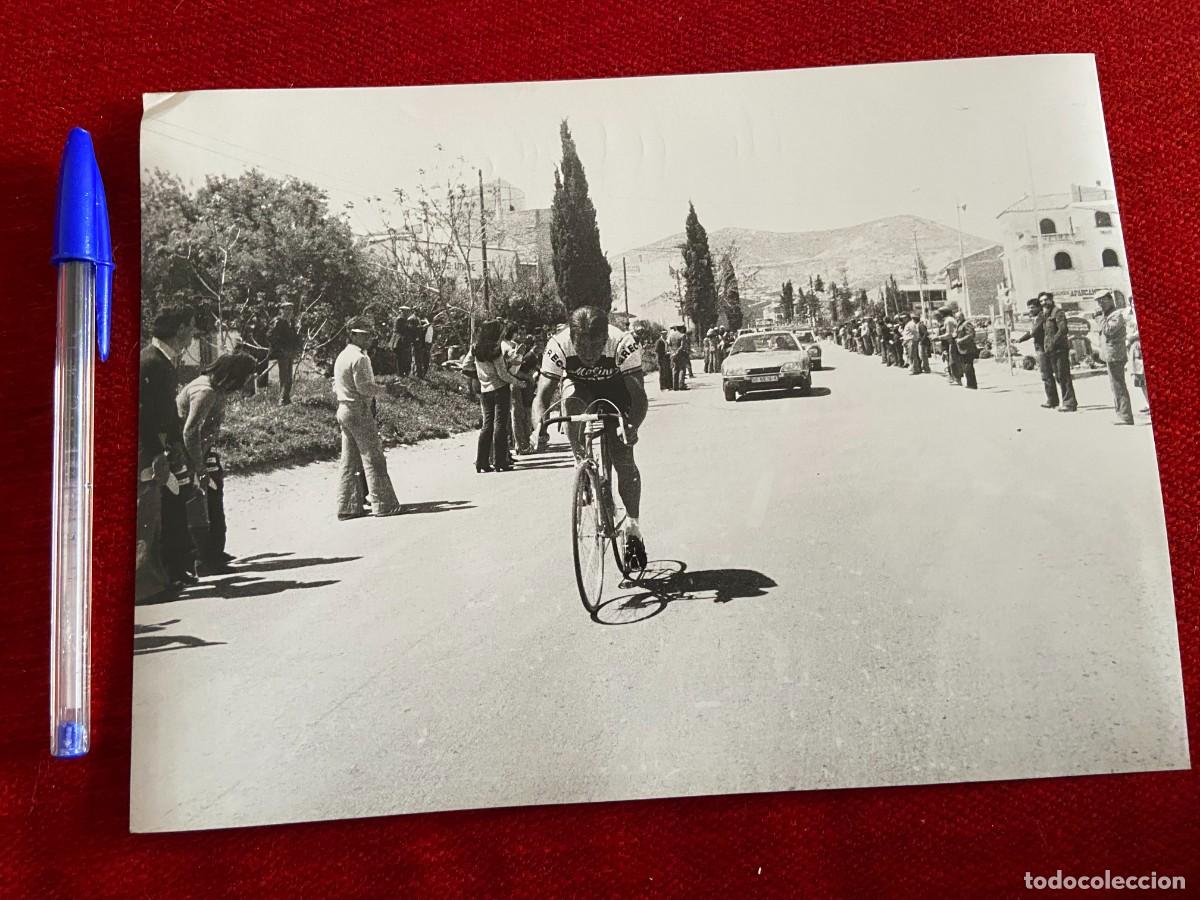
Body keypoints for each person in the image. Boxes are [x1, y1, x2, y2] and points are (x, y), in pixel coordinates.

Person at [531, 306, 650, 567]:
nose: (589, 355)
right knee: (571, 400)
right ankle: (581, 461)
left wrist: (632, 427)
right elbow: (542, 396)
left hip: (617, 391)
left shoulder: (622, 343)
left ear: (605, 338)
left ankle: (632, 529)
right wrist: (538, 426)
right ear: (571, 339)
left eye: (596, 347)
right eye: (581, 348)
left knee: (624, 460)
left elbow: (639, 397)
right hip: (581, 388)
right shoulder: (557, 345)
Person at [176, 353, 258, 574]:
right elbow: (190, 432)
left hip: (202, 452)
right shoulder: (205, 391)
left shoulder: (214, 389)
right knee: (198, 506)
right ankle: (203, 561)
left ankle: (213, 553)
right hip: (188, 456)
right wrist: (199, 467)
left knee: (213, 499)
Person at [137, 305, 198, 598]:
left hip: (164, 448)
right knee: (149, 515)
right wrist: (156, 451)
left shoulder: (164, 361)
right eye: (190, 327)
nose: (194, 333)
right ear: (179, 330)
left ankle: (171, 573)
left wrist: (178, 449)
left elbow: (168, 414)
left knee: (169, 509)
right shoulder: (150, 363)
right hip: (150, 450)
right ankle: (147, 586)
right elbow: (142, 414)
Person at [333, 318, 401, 519]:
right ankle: (383, 503)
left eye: (369, 334)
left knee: (350, 460)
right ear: (352, 335)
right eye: (362, 334)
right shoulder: (360, 358)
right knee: (373, 458)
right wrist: (388, 389)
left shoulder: (343, 356)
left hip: (344, 409)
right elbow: (364, 388)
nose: (367, 338)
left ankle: (347, 505)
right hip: (358, 409)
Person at [473, 319, 527, 472]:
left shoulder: (476, 349)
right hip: (499, 390)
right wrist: (518, 382)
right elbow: (503, 374)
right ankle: (500, 461)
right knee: (500, 426)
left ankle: (481, 461)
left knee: (487, 425)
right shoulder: (495, 350)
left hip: (485, 390)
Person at [1095, 290, 1135, 425]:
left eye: (1103, 300)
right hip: (1110, 355)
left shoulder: (1116, 315)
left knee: (1118, 385)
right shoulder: (1107, 315)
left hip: (1115, 355)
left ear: (1110, 300)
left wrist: (1099, 318)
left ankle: (1125, 416)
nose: (1100, 304)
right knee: (1115, 386)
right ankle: (1121, 414)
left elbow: (1108, 331)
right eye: (1098, 301)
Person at [1015, 297, 1059, 409]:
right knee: (1047, 375)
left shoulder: (1041, 317)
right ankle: (1053, 399)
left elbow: (1033, 331)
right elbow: (1031, 331)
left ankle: (1052, 400)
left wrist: (1022, 338)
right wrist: (1020, 339)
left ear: (1039, 307)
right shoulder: (1036, 318)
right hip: (1041, 348)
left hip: (1043, 349)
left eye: (1032, 307)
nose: (1030, 310)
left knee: (1046, 375)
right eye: (1029, 307)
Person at [1040, 292, 1077, 412]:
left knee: (1063, 376)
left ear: (1051, 300)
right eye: (1041, 301)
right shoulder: (1046, 315)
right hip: (1051, 350)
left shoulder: (1058, 313)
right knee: (1059, 376)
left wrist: (1053, 343)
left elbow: (1063, 329)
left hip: (1060, 349)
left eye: (1046, 300)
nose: (1044, 303)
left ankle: (1069, 403)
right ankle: (1065, 401)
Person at [267, 301, 302, 405]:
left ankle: (286, 398)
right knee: (284, 376)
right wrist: (280, 349)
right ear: (281, 310)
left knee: (289, 377)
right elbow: (270, 336)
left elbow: (293, 338)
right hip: (282, 353)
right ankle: (282, 400)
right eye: (286, 309)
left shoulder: (290, 322)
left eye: (290, 310)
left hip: (289, 352)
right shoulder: (278, 321)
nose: (289, 312)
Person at [1127, 298, 1149, 414]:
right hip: (1135, 350)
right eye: (1132, 304)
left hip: (1140, 348)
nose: (1133, 306)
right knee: (1140, 378)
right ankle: (1148, 403)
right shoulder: (1131, 317)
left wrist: (1131, 337)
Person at [955, 309, 979, 390]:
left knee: (968, 366)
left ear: (962, 317)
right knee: (966, 367)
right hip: (962, 349)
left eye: (958, 317)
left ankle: (972, 384)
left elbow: (971, 335)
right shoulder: (960, 324)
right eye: (956, 318)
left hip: (968, 349)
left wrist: (960, 340)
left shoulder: (966, 324)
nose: (957, 319)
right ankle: (970, 383)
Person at [667, 325, 688, 390]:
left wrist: (672, 352)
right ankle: (681, 385)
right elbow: (682, 346)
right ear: (681, 329)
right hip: (680, 354)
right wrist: (677, 352)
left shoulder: (671, 335)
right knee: (682, 369)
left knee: (675, 369)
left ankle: (675, 386)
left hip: (673, 354)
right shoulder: (682, 335)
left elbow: (669, 345)